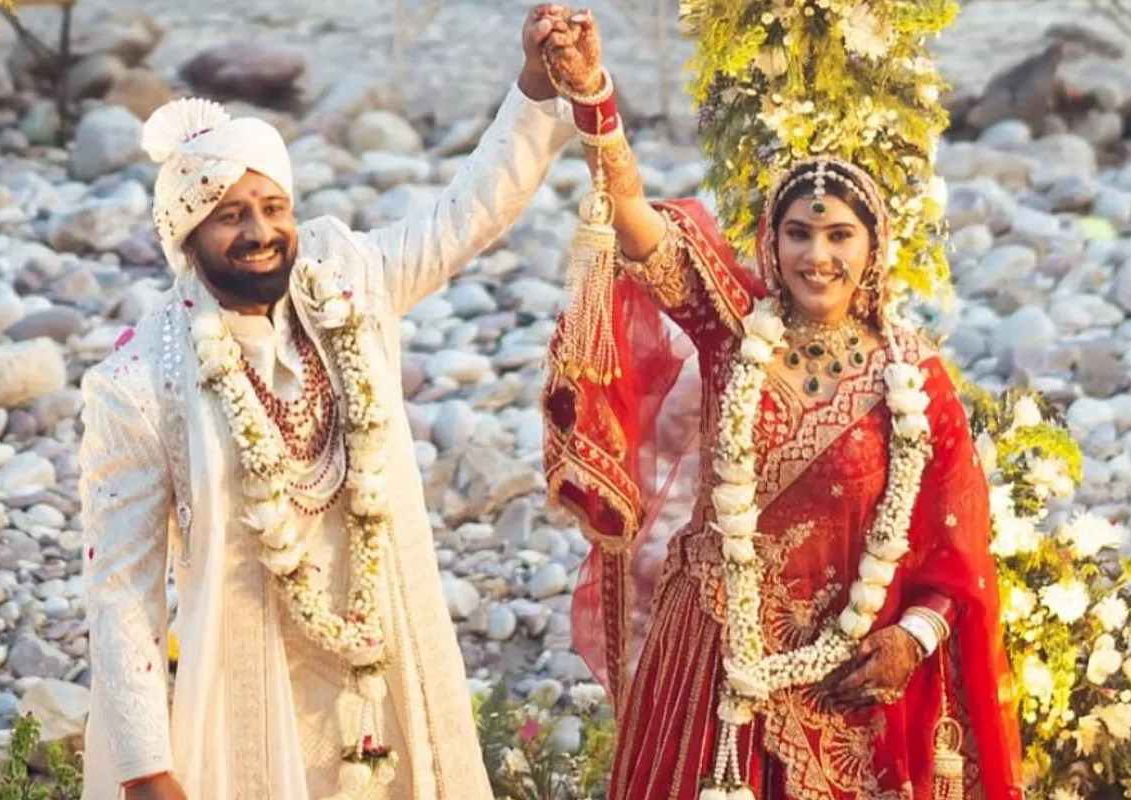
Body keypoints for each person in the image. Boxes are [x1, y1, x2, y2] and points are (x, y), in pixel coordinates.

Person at [78, 7, 578, 799]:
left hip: (388, 653)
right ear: (187, 237)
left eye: (273, 207)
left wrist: (536, 88)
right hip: (251, 688)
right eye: (229, 215)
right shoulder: (138, 384)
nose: (260, 232)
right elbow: (121, 590)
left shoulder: (348, 282)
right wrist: (145, 770)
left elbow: (465, 218)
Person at [538, 10, 1024, 800]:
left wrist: (912, 637)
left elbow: (955, 542)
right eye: (798, 234)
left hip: (846, 680)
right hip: (712, 657)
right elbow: (634, 223)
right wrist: (593, 96)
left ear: (873, 248)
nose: (817, 256)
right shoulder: (732, 328)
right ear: (773, 241)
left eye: (839, 236)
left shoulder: (913, 378)